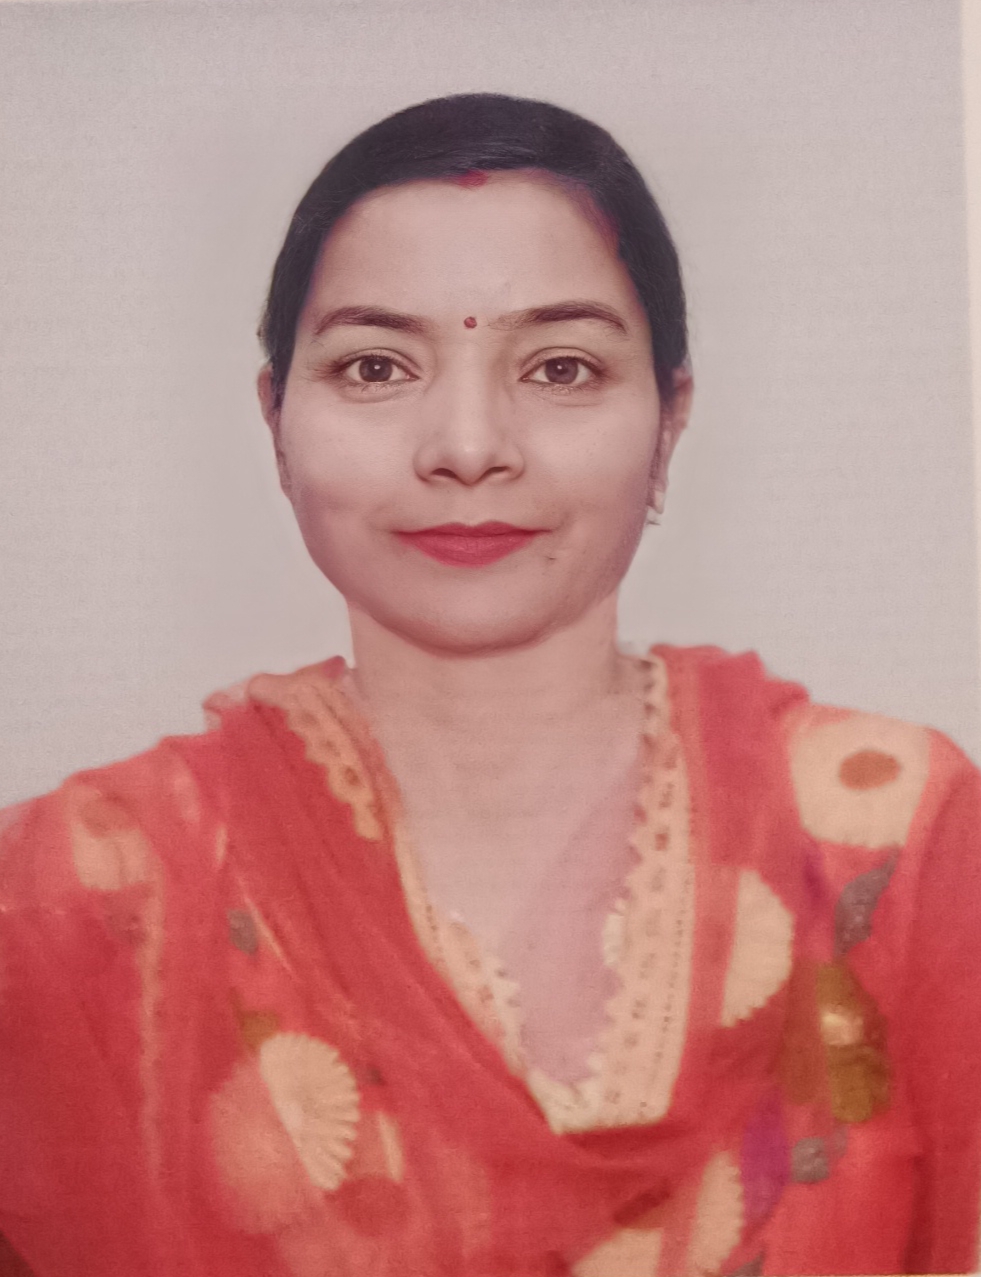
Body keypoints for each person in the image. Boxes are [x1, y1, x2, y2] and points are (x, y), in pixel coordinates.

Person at [0, 92, 978, 1277]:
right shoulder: (82, 894)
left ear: (669, 420)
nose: (467, 445)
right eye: (376, 365)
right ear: (275, 420)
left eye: (562, 367)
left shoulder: (892, 841)